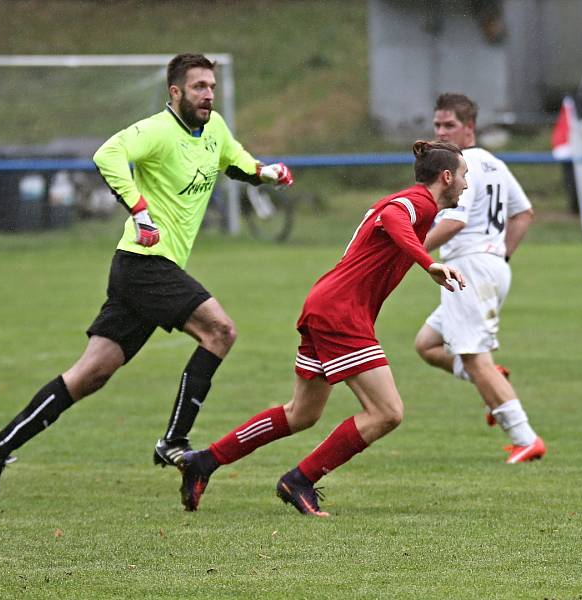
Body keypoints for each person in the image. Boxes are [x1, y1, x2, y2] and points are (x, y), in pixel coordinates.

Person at [0, 53, 294, 492]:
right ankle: (174, 441)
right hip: (144, 264)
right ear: (175, 92)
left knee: (90, 374)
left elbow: (238, 161)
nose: (208, 95)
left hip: (144, 271)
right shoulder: (157, 130)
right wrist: (139, 210)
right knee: (220, 331)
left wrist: (268, 174)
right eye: (198, 87)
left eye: (212, 87)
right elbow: (108, 155)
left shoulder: (213, 129)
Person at [178, 140, 468, 516]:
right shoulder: (418, 202)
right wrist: (428, 264)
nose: (465, 184)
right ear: (446, 177)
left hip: (326, 304)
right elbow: (395, 217)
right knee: (387, 412)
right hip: (341, 314)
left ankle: (205, 461)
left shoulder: (420, 207)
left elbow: (397, 227)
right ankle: (300, 479)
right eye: (463, 176)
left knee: (302, 413)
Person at [414, 93, 546, 464]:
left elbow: (456, 221)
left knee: (473, 357)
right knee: (427, 344)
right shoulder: (494, 163)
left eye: (449, 125)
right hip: (490, 267)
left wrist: (411, 246)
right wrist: (500, 254)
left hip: (470, 268)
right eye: (437, 124)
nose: (440, 131)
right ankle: (491, 379)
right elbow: (525, 214)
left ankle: (525, 438)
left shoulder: (463, 166)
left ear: (469, 128)